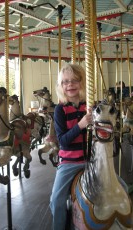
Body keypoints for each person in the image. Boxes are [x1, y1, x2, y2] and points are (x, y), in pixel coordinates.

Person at [49, 63, 92, 230]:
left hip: (91, 161)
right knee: (57, 201)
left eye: (74, 80)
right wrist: (80, 125)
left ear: (82, 82)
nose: (70, 85)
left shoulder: (89, 106)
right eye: (65, 82)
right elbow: (63, 141)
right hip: (69, 163)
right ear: (60, 86)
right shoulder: (60, 110)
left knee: (121, 188)